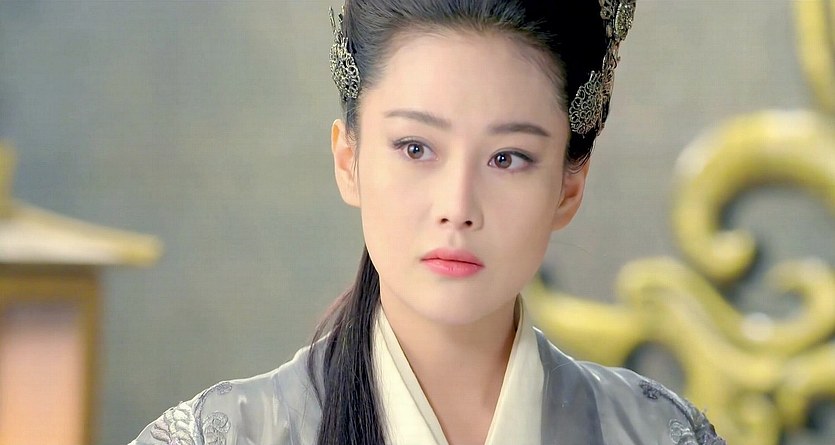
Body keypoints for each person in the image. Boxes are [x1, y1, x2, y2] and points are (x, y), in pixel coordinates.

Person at [130, 1, 725, 444]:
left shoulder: (658, 434)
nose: (457, 206)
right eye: (415, 148)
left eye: (508, 158)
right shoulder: (221, 436)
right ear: (349, 160)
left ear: (569, 187)